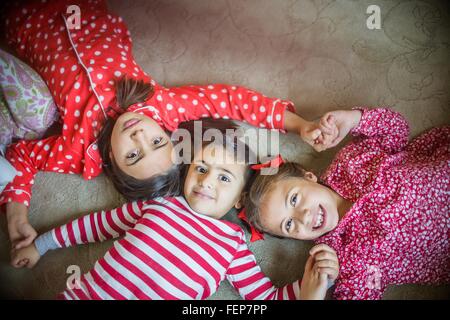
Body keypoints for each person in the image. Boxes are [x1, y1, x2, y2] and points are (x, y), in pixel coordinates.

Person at [0, 0, 328, 251]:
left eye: (132, 156)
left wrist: (16, 216)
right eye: (157, 143)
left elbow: (22, 157)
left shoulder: (77, 151)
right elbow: (229, 100)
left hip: (20, 22)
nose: (139, 135)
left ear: (111, 162)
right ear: (167, 134)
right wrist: (298, 124)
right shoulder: (160, 106)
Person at [11, 128, 339, 300]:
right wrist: (40, 245)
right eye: (201, 168)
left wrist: (311, 286)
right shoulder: (158, 206)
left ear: (239, 198)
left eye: (224, 177)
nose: (207, 180)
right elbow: (95, 226)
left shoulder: (233, 246)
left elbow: (263, 295)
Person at [243, 107, 450, 299]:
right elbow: (367, 288)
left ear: (309, 176)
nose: (303, 216)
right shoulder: (343, 258)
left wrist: (353, 119)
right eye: (288, 225)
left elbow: (396, 131)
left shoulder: (350, 163)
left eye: (294, 199)